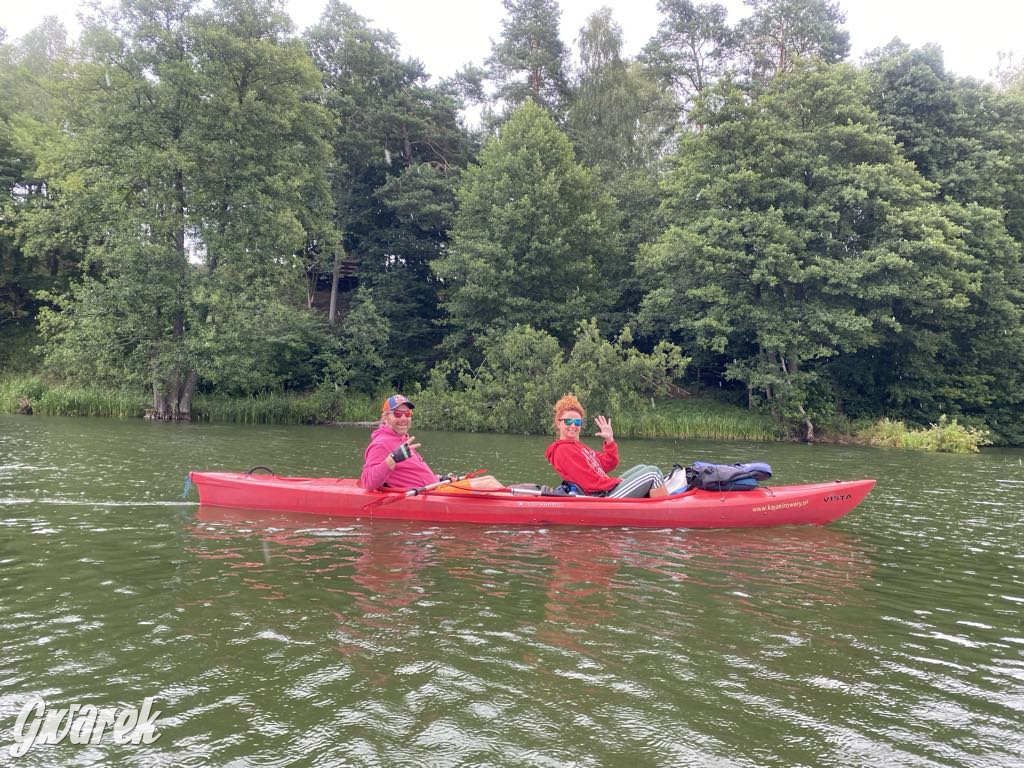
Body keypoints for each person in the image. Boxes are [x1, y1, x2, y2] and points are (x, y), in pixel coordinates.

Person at [360, 394, 503, 492]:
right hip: (431, 494)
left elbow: (412, 474)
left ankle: (519, 506)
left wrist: (439, 478)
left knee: (489, 479)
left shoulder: (400, 438)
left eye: (408, 413)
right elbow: (368, 482)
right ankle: (521, 511)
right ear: (385, 418)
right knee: (488, 484)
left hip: (436, 487)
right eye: (397, 414)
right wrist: (392, 459)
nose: (404, 417)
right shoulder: (381, 443)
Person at [544, 393, 664, 498]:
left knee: (642, 467)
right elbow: (589, 483)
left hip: (606, 490)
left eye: (577, 422)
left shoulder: (579, 447)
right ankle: (663, 510)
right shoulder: (563, 450)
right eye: (568, 421)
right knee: (653, 473)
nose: (573, 425)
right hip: (602, 497)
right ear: (558, 423)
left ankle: (650, 496)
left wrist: (609, 440)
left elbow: (607, 464)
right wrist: (617, 482)